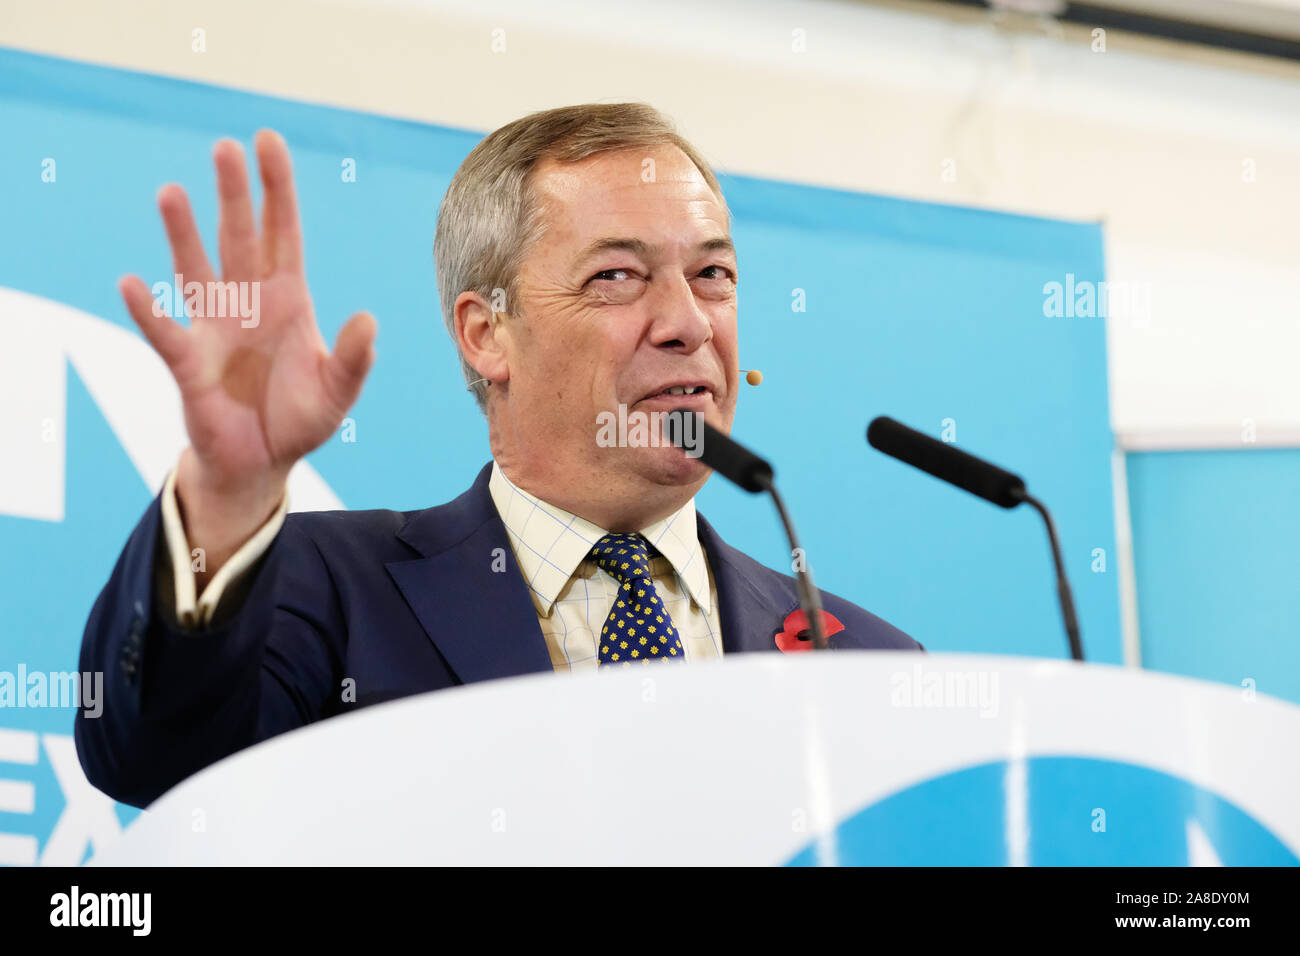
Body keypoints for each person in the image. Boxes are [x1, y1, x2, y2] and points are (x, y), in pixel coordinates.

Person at [75, 103, 920, 809]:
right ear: (488, 334)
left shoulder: (871, 667)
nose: (689, 323)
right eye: (617, 277)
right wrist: (228, 491)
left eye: (713, 275)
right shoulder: (330, 591)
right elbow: (154, 758)